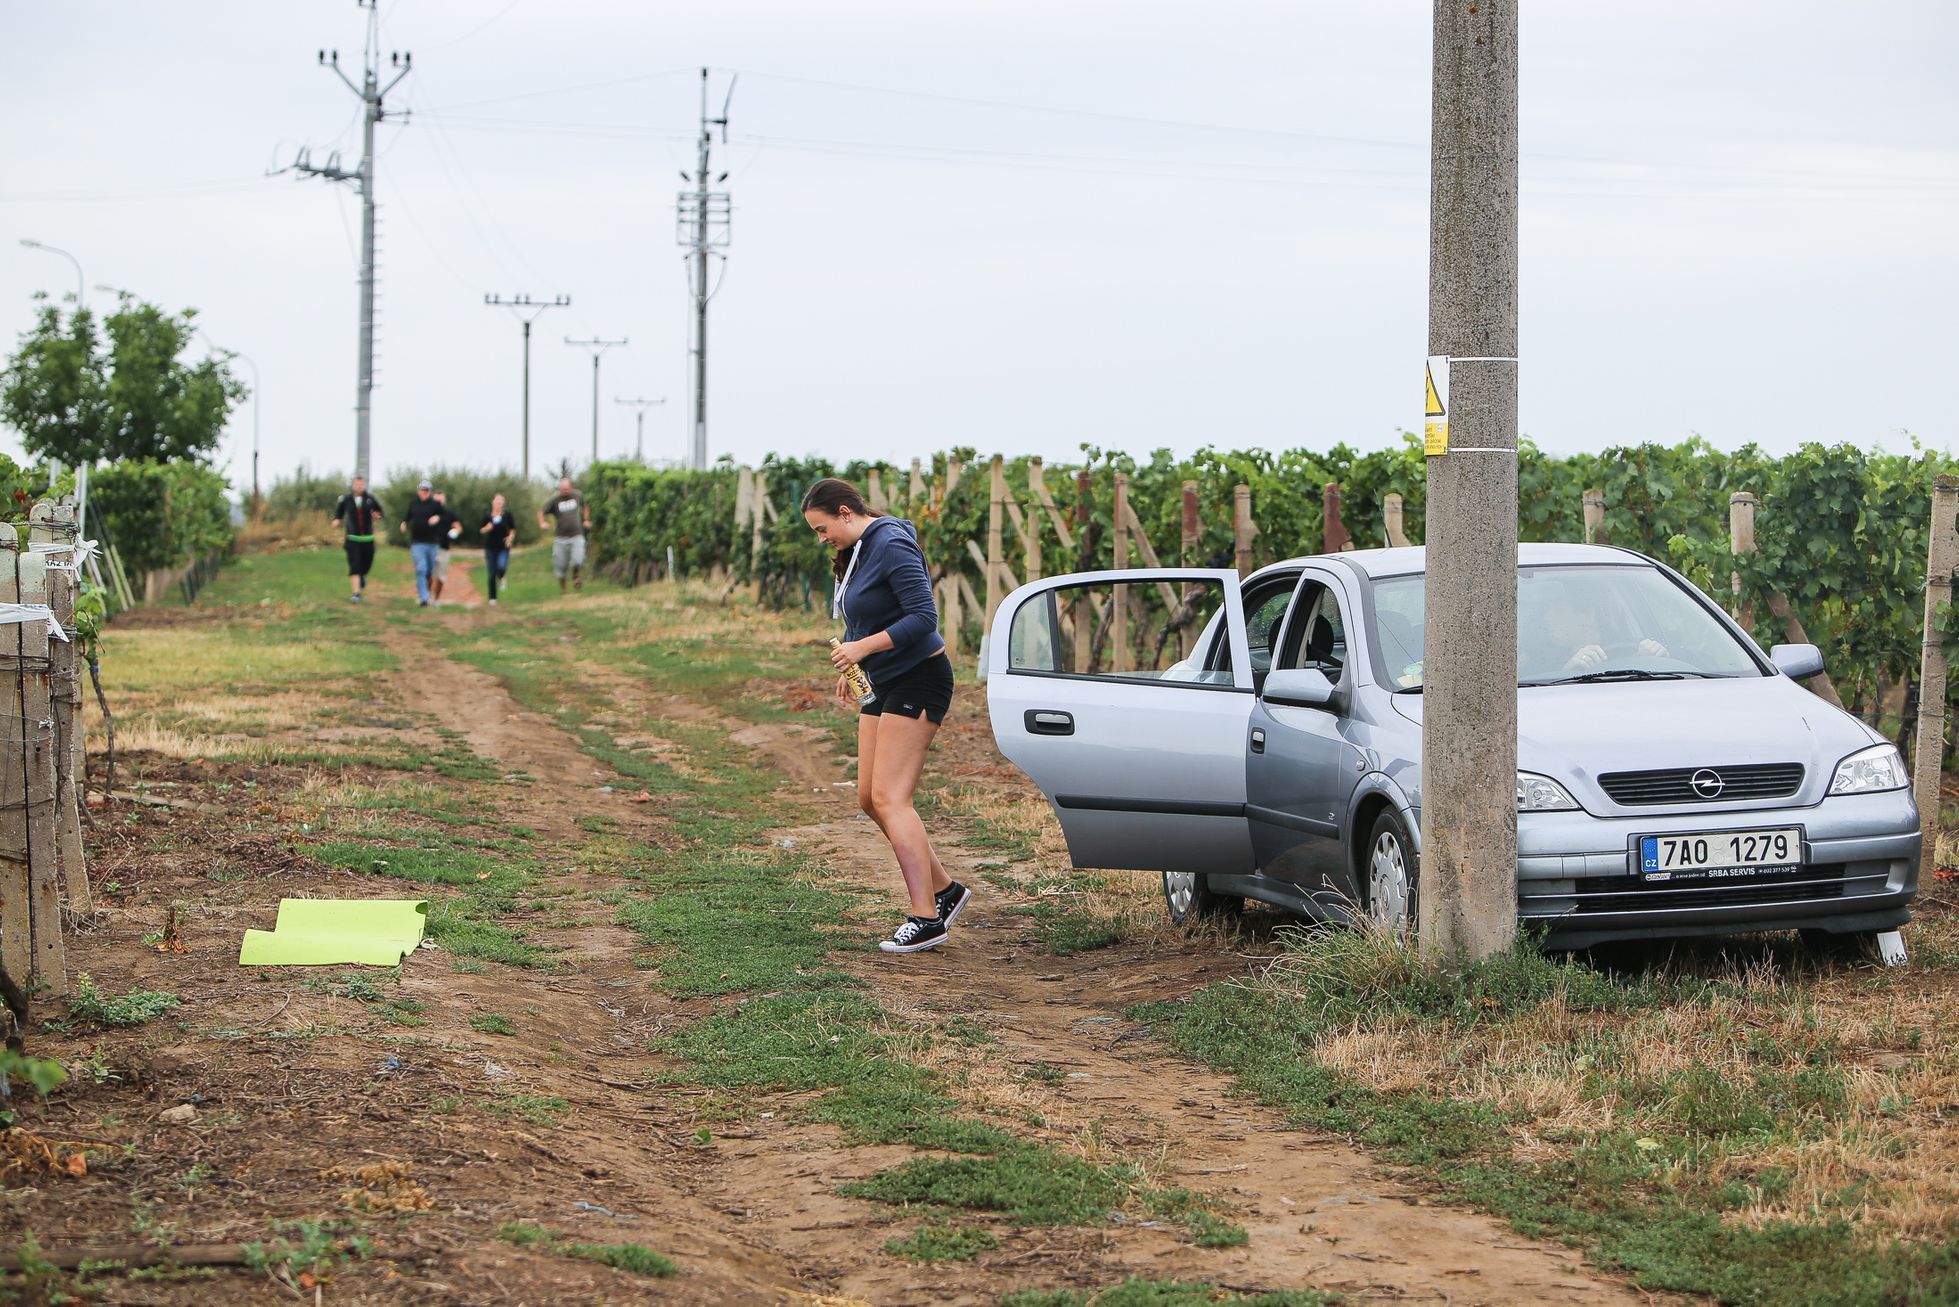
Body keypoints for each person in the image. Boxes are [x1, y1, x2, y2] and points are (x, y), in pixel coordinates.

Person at [802, 477, 967, 955]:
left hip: (920, 678)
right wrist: (857, 661)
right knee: (869, 798)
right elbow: (867, 613)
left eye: (822, 528)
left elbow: (922, 618)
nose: (821, 539)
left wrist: (862, 647)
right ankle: (947, 891)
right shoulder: (858, 551)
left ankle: (926, 917)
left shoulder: (891, 543)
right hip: (882, 680)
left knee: (893, 798)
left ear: (846, 512)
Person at [332, 475, 385, 602]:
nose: (359, 487)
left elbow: (379, 513)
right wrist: (336, 521)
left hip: (368, 539)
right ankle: (356, 593)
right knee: (354, 566)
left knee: (366, 565)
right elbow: (338, 515)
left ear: (365, 485)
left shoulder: (370, 499)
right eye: (357, 484)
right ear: (353, 485)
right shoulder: (346, 499)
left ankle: (362, 575)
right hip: (352, 538)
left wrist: (377, 515)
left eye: (361, 484)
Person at [399, 480, 450, 607]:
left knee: (429, 572)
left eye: (427, 490)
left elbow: (445, 516)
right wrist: (404, 523)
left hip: (432, 543)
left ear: (430, 491)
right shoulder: (413, 504)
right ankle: (423, 598)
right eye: (422, 489)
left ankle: (426, 593)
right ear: (418, 491)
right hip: (417, 543)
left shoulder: (435, 505)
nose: (424, 492)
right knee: (421, 568)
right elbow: (407, 517)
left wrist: (437, 517)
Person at [539, 476, 591, 593]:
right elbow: (542, 511)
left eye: (567, 489)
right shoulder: (555, 499)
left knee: (578, 560)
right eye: (562, 489)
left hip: (577, 535)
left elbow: (586, 506)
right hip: (560, 538)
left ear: (571, 487)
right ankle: (564, 589)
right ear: (559, 489)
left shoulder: (577, 495)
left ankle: (575, 576)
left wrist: (586, 519)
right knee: (560, 567)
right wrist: (542, 523)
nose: (565, 491)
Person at [479, 492, 517, 605]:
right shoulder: (487, 515)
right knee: (491, 573)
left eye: (502, 501)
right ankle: (492, 598)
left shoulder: (507, 515)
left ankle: (502, 577)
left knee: (501, 567)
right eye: (498, 501)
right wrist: (487, 528)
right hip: (490, 548)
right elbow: (481, 530)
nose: (500, 503)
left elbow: (513, 529)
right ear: (493, 502)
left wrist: (510, 538)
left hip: (503, 547)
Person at [429, 490, 462, 604]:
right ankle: (427, 596)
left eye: (441, 499)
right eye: (436, 499)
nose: (438, 502)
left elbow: (458, 526)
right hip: (430, 548)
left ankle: (436, 598)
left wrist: (455, 531)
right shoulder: (428, 512)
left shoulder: (449, 513)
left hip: (444, 548)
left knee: (441, 577)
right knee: (429, 575)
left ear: (444, 500)